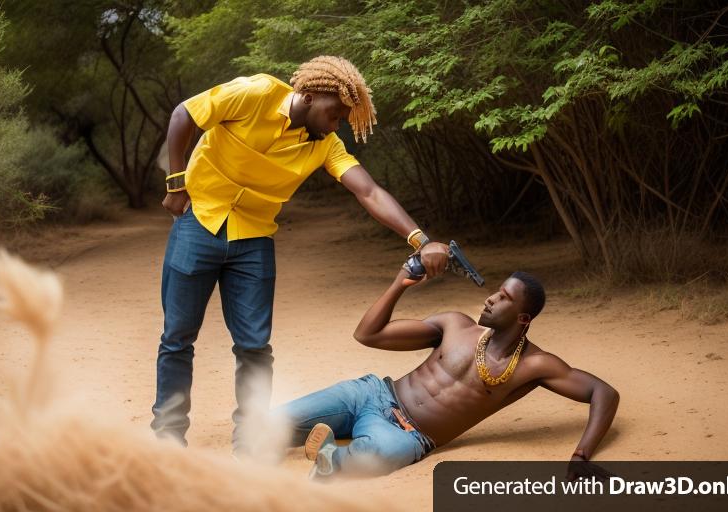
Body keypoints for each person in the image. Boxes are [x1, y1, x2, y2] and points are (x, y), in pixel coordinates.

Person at [153, 55, 450, 453]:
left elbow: (369, 191)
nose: (339, 123)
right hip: (199, 223)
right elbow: (183, 115)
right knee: (177, 338)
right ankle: (168, 438)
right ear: (308, 96)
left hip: (254, 239)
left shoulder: (326, 145)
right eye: (336, 113)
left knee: (255, 347)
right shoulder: (255, 93)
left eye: (344, 117)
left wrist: (420, 238)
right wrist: (176, 184)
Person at [274, 269, 620, 479]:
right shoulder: (454, 324)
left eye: (503, 297)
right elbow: (368, 334)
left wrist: (581, 457)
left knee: (383, 452)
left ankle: (332, 457)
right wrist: (400, 283)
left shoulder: (534, 365)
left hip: (411, 434)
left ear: (523, 318)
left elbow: (604, 393)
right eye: (495, 291)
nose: (490, 299)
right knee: (269, 424)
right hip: (371, 394)